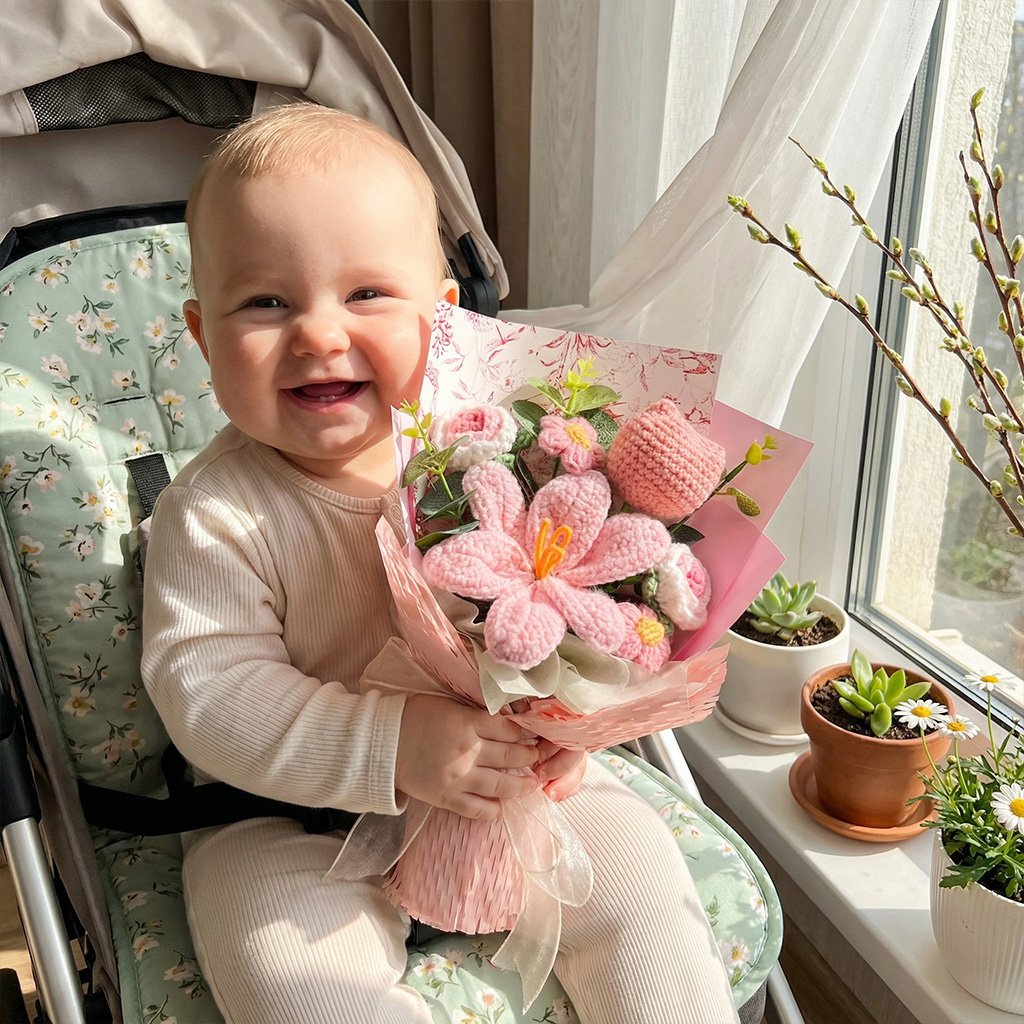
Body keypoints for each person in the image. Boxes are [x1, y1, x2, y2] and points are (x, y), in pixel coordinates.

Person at [141, 103, 739, 1024]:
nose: (317, 334)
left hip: (504, 773)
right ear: (201, 334)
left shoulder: (496, 453)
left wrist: (562, 729)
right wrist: (392, 745)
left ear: (445, 320)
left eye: (368, 294)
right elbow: (211, 698)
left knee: (644, 894)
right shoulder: (215, 514)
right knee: (288, 979)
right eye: (266, 302)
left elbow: (582, 617)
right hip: (287, 811)